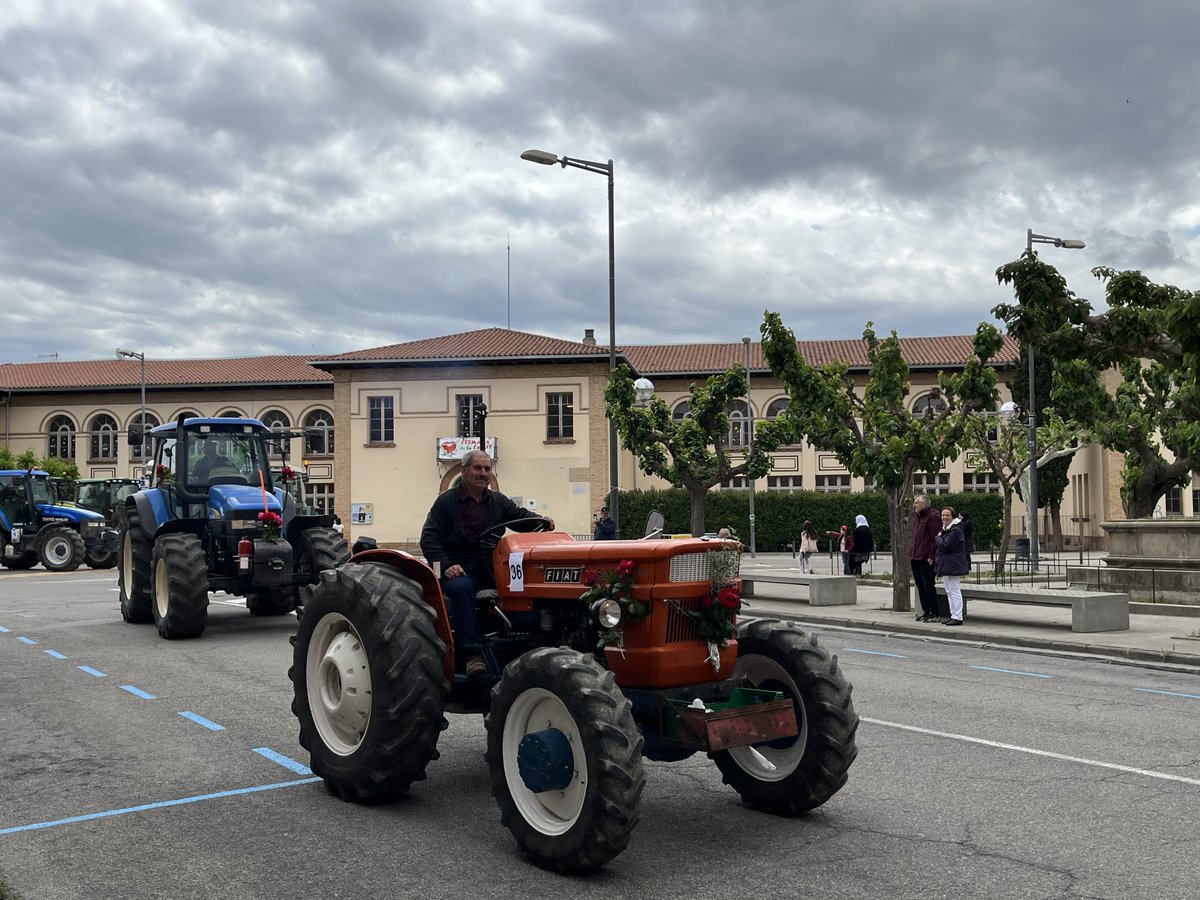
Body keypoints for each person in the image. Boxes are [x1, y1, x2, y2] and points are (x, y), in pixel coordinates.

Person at [420, 450, 554, 676]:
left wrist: (541, 520)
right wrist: (446, 564)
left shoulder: (497, 501)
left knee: (521, 584)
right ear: (464, 471)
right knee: (461, 588)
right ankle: (472, 653)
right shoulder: (446, 503)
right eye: (478, 468)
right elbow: (429, 538)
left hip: (489, 567)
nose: (483, 474)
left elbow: (519, 517)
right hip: (458, 568)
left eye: (487, 469)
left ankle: (529, 643)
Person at [933, 506, 970, 625]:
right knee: (949, 590)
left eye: (947, 515)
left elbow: (945, 546)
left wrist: (938, 537)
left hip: (953, 565)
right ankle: (953, 614)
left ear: (952, 516)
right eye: (943, 515)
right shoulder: (946, 529)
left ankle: (958, 616)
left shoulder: (955, 530)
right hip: (947, 564)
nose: (944, 517)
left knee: (954, 590)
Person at [909, 493, 943, 621]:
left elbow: (935, 538)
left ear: (924, 504)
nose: (914, 505)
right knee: (920, 585)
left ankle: (934, 612)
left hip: (926, 557)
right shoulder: (917, 518)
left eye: (916, 502)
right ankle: (926, 611)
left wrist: (931, 555)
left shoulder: (932, 517)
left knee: (928, 585)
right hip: (915, 556)